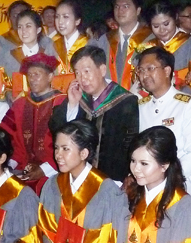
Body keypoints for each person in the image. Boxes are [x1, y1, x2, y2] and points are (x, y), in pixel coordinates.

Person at [37, 119, 129, 243]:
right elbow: (44, 227)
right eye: (56, 148)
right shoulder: (53, 185)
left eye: (65, 149)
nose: (58, 155)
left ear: (84, 153)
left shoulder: (108, 192)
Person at [49, 46, 139, 182]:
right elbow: (57, 130)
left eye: (86, 71)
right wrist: (72, 104)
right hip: (77, 178)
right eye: (77, 73)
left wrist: (127, 176)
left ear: (102, 70)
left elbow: (131, 143)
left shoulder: (125, 101)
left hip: (113, 179)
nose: (82, 79)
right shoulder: (77, 98)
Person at [123, 126, 191, 243]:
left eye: (144, 163)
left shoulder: (184, 208)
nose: (136, 169)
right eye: (133, 161)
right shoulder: (127, 195)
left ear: (164, 165)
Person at [136, 47, 191, 195]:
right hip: (147, 181)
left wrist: (166, 178)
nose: (144, 75)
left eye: (150, 69)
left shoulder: (189, 104)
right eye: (141, 70)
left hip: (181, 181)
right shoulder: (140, 106)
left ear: (167, 71)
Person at [0, 53, 66, 194]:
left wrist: (44, 169)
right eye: (30, 75)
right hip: (23, 168)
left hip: (55, 171)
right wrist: (8, 165)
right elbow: (7, 138)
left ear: (50, 77)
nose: (32, 79)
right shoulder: (20, 104)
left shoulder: (62, 103)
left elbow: (70, 144)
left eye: (37, 74)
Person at [0, 9, 57, 102]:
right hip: (16, 107)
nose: (23, 31)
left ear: (38, 30)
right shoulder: (7, 56)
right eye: (20, 27)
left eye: (28, 26)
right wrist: (10, 97)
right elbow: (1, 85)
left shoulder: (48, 55)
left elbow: (55, 82)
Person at [94, 0, 155, 90]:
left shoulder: (151, 39)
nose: (120, 10)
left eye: (126, 6)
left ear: (138, 10)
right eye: (117, 7)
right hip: (110, 99)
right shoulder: (104, 40)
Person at [145, 0, 191, 88]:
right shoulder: (147, 47)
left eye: (166, 24)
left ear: (175, 18)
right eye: (156, 26)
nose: (162, 30)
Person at [52, 0, 89, 74]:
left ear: (77, 21)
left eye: (65, 17)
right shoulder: (52, 45)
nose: (60, 22)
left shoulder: (88, 44)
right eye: (57, 17)